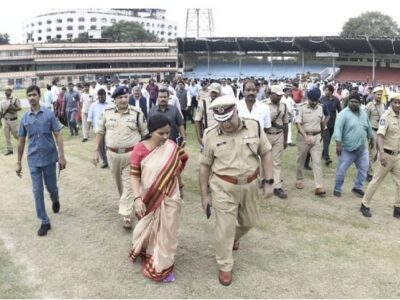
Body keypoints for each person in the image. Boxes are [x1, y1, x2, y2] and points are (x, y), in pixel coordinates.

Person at [199, 95, 273, 286]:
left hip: (250, 184)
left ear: (236, 112)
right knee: (224, 228)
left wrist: (269, 181)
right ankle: (225, 265)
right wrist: (204, 195)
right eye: (220, 120)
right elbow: (205, 166)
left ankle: (233, 239)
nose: (226, 125)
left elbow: (265, 152)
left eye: (228, 119)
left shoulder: (254, 126)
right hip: (223, 187)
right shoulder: (210, 134)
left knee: (249, 222)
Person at [128, 114, 188, 282]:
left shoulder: (172, 147)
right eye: (161, 133)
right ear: (151, 131)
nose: (165, 137)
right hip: (148, 196)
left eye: (168, 133)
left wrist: (181, 187)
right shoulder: (139, 149)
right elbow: (134, 176)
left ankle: (163, 265)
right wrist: (137, 198)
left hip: (170, 195)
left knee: (168, 232)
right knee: (146, 229)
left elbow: (175, 170)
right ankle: (148, 251)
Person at [94, 86, 148, 229]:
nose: (123, 100)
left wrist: (145, 153)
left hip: (132, 154)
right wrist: (95, 151)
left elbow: (145, 133)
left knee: (129, 184)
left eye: (125, 97)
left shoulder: (137, 113)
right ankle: (128, 204)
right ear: (115, 100)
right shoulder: (107, 113)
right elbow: (99, 132)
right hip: (112, 154)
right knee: (120, 184)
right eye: (120, 98)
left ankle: (126, 215)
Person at [16, 85, 66, 236]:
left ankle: (55, 199)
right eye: (29, 95)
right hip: (33, 160)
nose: (32, 97)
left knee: (51, 187)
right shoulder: (24, 118)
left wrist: (61, 156)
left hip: (50, 158)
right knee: (37, 191)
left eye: (34, 95)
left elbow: (58, 135)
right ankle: (44, 221)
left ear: (39, 96)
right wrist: (18, 162)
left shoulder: (49, 114)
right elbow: (21, 141)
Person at [360, 94, 400, 218]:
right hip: (386, 155)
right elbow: (380, 136)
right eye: (395, 102)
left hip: (397, 156)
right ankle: (364, 204)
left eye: (399, 103)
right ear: (390, 103)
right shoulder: (386, 117)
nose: (397, 105)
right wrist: (381, 153)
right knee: (376, 181)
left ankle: (397, 208)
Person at [332, 94, 373, 198]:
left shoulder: (363, 113)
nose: (354, 104)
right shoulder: (343, 114)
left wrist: (371, 137)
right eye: (352, 101)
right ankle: (337, 188)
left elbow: (368, 127)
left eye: (356, 102)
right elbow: (338, 129)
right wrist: (338, 144)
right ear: (348, 102)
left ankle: (357, 188)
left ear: (359, 103)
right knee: (341, 170)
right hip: (347, 148)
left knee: (364, 168)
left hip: (362, 149)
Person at [295, 88, 327, 196]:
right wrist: (305, 136)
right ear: (308, 99)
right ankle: (299, 179)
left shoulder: (321, 108)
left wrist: (322, 135)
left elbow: (322, 122)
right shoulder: (302, 108)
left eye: (316, 100)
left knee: (317, 161)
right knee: (301, 160)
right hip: (304, 137)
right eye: (312, 100)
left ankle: (319, 186)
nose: (314, 103)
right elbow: (298, 123)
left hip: (316, 137)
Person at [262, 85, 289, 199]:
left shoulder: (284, 106)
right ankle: (264, 180)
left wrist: (285, 139)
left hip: (278, 135)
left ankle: (277, 186)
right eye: (277, 95)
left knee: (276, 162)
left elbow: (286, 123)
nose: (279, 97)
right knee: (263, 160)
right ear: (270, 94)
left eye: (280, 96)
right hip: (265, 136)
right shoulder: (262, 105)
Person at [88, 89, 112, 168]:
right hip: (98, 129)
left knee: (109, 145)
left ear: (105, 95)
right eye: (99, 97)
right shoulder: (93, 105)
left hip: (109, 129)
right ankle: (105, 161)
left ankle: (110, 161)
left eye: (102, 97)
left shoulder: (110, 104)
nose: (101, 98)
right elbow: (90, 118)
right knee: (101, 147)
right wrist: (88, 130)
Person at [365, 86, 385, 182]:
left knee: (378, 152)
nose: (380, 96)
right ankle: (368, 172)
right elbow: (365, 120)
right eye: (378, 94)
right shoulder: (369, 106)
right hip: (372, 131)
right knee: (370, 152)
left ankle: (373, 170)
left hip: (380, 132)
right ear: (373, 95)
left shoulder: (382, 105)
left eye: (381, 94)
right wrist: (368, 134)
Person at [320, 84, 341, 166]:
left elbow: (340, 111)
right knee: (325, 140)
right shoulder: (322, 100)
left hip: (333, 123)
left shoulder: (336, 100)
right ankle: (327, 158)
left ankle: (323, 154)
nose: (325, 91)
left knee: (328, 141)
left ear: (331, 91)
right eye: (325, 90)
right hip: (324, 123)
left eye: (326, 90)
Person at [0, 86, 21, 155]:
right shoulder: (2, 101)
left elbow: (19, 108)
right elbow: (1, 111)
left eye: (9, 90)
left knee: (15, 134)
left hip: (13, 120)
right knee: (7, 136)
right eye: (6, 90)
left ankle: (22, 142)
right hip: (5, 120)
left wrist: (13, 108)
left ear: (11, 91)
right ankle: (9, 150)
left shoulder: (15, 99)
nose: (7, 92)